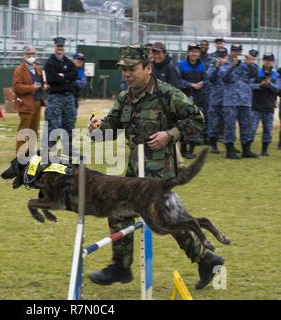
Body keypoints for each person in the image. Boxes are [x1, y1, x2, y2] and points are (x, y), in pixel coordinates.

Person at [87, 46, 224, 290]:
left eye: (132, 69)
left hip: (159, 176)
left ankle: (207, 260)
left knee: (168, 222)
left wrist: (170, 134)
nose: (127, 74)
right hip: (134, 173)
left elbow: (198, 120)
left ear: (148, 68)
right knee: (119, 212)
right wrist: (97, 131)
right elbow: (111, 128)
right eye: (124, 70)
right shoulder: (124, 97)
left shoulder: (167, 94)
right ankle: (121, 265)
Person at [221, 44, 258, 159]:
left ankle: (246, 150)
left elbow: (255, 75)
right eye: (234, 50)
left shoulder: (246, 64)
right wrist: (232, 66)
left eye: (239, 50)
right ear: (231, 52)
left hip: (245, 100)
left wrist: (250, 64)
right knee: (230, 127)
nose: (237, 53)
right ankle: (230, 150)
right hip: (230, 101)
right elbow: (223, 77)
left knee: (246, 125)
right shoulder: (226, 63)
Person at [43, 37, 78, 154]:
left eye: (61, 46)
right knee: (53, 125)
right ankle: (48, 152)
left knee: (69, 125)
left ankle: (67, 152)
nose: (60, 48)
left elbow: (74, 76)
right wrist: (65, 78)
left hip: (69, 98)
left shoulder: (68, 62)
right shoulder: (50, 63)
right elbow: (52, 78)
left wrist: (62, 76)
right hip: (55, 97)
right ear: (54, 47)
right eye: (58, 46)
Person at [178, 42, 209, 159]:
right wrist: (190, 84)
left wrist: (202, 83)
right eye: (192, 51)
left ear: (199, 53)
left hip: (198, 99)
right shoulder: (181, 65)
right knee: (184, 124)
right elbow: (178, 80)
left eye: (196, 51)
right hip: (184, 99)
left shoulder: (202, 65)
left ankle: (191, 151)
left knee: (196, 124)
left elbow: (207, 79)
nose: (194, 54)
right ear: (188, 53)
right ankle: (183, 150)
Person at [13, 46, 46, 153]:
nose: (31, 56)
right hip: (26, 104)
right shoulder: (19, 70)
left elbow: (42, 83)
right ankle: (21, 154)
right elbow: (17, 87)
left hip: (37, 103)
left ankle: (31, 152)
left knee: (34, 130)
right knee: (24, 130)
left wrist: (44, 86)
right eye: (28, 54)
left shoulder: (38, 69)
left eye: (33, 54)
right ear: (23, 56)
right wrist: (31, 88)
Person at [250, 53, 281, 156]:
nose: (268, 62)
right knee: (252, 128)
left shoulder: (276, 74)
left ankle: (265, 150)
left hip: (269, 106)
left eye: (270, 60)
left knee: (268, 129)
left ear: (273, 62)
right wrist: (260, 85)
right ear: (262, 61)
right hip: (256, 105)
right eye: (266, 59)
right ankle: (248, 149)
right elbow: (250, 85)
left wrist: (270, 84)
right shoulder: (256, 72)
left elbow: (278, 89)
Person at [206, 47, 229, 155]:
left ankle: (230, 146)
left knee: (228, 124)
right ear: (216, 57)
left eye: (223, 56)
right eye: (219, 56)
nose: (221, 59)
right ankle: (213, 146)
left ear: (227, 56)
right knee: (213, 124)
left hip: (228, 100)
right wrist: (217, 67)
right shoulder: (211, 66)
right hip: (215, 99)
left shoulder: (231, 66)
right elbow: (210, 78)